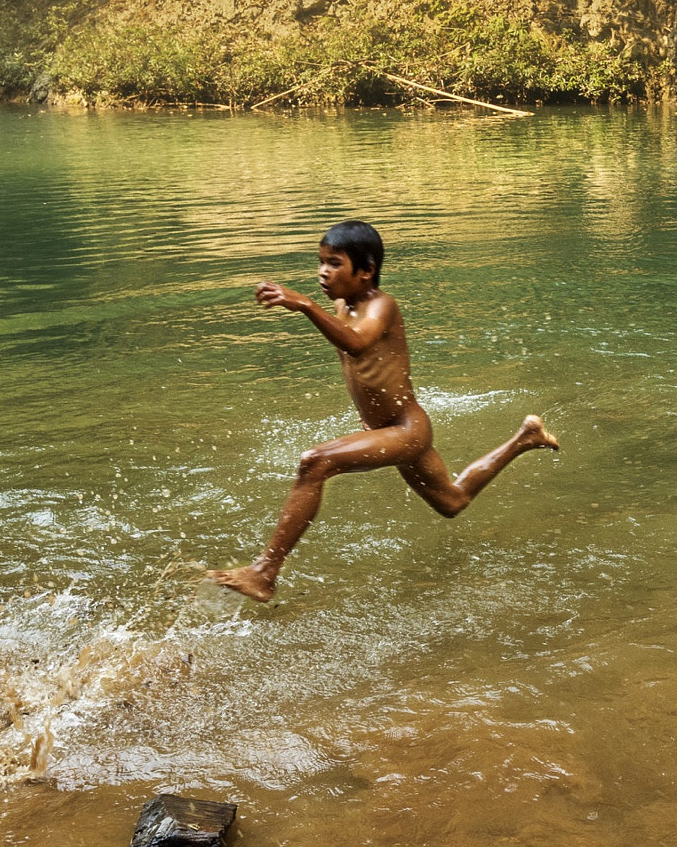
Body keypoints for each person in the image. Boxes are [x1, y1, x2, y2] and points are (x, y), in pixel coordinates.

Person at [206, 220, 559, 603]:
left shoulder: (382, 306)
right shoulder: (344, 305)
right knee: (452, 501)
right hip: (387, 428)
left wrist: (305, 305)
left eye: (335, 263)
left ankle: (264, 572)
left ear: (366, 271)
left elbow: (358, 345)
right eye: (321, 262)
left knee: (315, 463)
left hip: (406, 430)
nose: (323, 272)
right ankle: (526, 437)